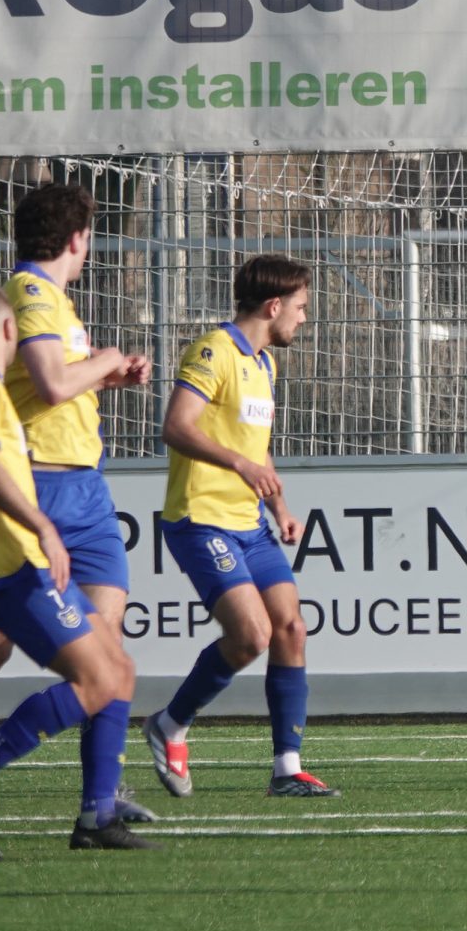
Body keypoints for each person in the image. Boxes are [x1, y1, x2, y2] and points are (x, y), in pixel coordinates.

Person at [0, 182, 151, 815]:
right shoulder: (31, 296)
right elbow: (52, 380)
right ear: (78, 238)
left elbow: (58, 386)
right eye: (91, 234)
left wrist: (107, 376)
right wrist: (105, 360)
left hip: (86, 486)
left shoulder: (58, 304)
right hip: (44, 486)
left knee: (110, 655)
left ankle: (100, 799)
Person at [0, 281, 154, 849]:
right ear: (10, 330)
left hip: (3, 562)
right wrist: (42, 526)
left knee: (117, 672)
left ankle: (95, 819)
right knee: (101, 677)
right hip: (15, 563)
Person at [141, 255, 333, 797]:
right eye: (299, 309)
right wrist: (240, 466)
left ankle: (287, 769)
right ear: (273, 306)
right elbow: (176, 428)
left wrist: (280, 507)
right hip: (201, 520)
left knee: (291, 629)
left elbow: (256, 449)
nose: (302, 319)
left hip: (249, 523)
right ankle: (169, 723)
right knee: (252, 635)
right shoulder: (213, 350)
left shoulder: (264, 363)